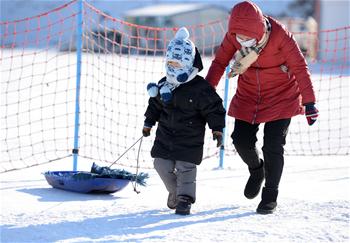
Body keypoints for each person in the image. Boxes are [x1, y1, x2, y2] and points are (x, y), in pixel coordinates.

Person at [205, 1, 319, 214]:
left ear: (260, 32)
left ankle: (270, 194)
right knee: (241, 140)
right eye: (239, 38)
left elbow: (300, 68)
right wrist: (205, 92)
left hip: (282, 96)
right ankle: (257, 171)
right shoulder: (235, 35)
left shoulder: (281, 36)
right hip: (249, 95)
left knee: (273, 146)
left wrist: (309, 102)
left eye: (247, 39)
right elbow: (219, 62)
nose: (242, 43)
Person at [142, 27, 226, 215]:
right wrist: (148, 123)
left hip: (190, 137)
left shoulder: (200, 88)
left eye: (178, 64)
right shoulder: (165, 83)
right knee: (160, 165)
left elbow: (214, 109)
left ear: (188, 63)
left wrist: (217, 129)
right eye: (170, 62)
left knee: (185, 168)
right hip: (165, 136)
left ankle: (184, 200)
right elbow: (154, 105)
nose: (173, 67)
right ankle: (175, 191)